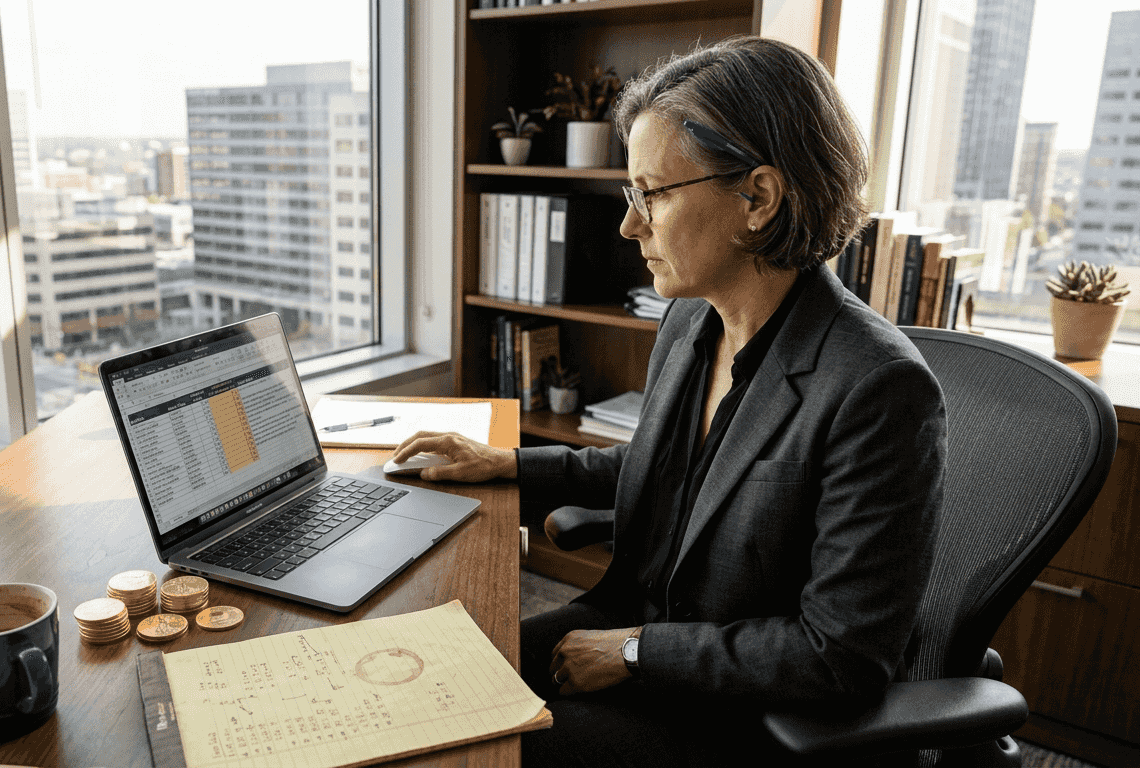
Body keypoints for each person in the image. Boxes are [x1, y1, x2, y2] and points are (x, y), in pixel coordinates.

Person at [392, 36, 946, 767]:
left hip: (745, 714)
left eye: (651, 194)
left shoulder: (879, 388)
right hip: (632, 620)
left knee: (477, 752)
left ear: (758, 198)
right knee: (421, 681)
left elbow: (840, 655)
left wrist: (636, 652)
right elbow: (668, 468)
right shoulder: (691, 318)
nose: (630, 225)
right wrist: (508, 463)